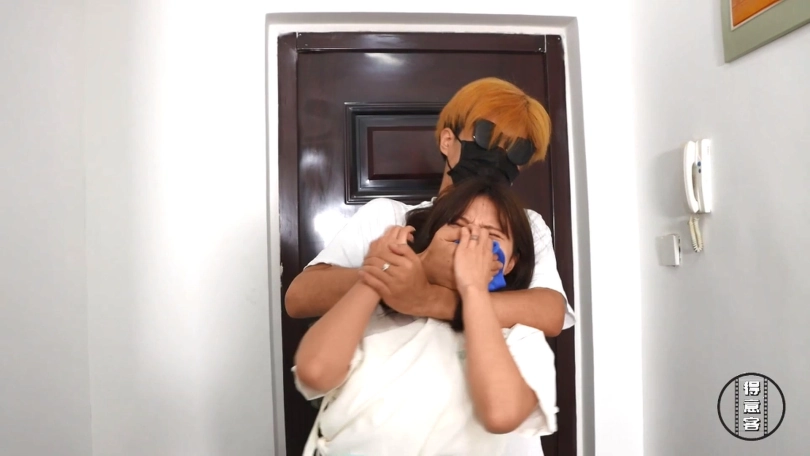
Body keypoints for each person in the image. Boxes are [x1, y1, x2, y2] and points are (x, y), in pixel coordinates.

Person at [285, 77, 575, 338]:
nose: (499, 157)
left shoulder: (524, 225)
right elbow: (300, 297)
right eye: (486, 137)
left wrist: (427, 298)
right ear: (448, 141)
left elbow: (550, 312)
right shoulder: (387, 216)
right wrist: (419, 265)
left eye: (517, 151)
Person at [293, 178, 558, 456]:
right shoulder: (382, 315)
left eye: (491, 235)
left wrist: (473, 289)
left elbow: (501, 414)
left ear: (511, 263)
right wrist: (378, 274)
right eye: (459, 226)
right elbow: (315, 371)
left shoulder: (517, 333)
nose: (470, 241)